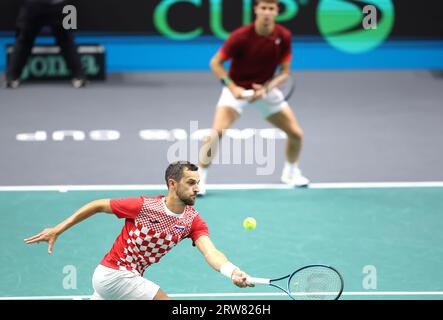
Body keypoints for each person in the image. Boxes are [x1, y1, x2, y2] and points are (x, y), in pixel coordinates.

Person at [24, 161, 254, 300]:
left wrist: (231, 271)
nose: (197, 188)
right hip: (116, 274)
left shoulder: (193, 221)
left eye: (198, 182)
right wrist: (58, 229)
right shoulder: (144, 206)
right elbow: (97, 205)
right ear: (172, 184)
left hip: (119, 279)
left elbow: (210, 252)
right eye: (191, 183)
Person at [198, 0, 309, 196]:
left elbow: (284, 73)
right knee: (216, 133)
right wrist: (232, 88)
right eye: (263, 8)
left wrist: (266, 88)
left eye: (271, 9)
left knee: (296, 134)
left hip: (264, 90)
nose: (267, 12)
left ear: (276, 11)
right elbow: (215, 63)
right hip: (237, 89)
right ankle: (199, 179)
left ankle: (291, 173)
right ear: (256, 10)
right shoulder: (240, 37)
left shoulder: (283, 36)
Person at [5, 0, 86, 89]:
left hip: (56, 5)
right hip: (36, 5)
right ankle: (12, 77)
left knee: (66, 40)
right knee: (24, 40)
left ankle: (79, 76)